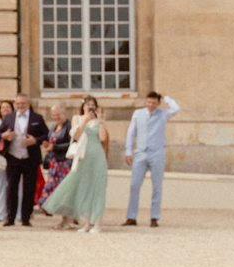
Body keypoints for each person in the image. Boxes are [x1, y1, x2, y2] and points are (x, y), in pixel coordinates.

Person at [44, 96, 111, 232]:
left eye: (92, 105)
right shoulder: (77, 118)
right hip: (83, 156)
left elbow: (103, 138)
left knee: (97, 189)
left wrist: (101, 121)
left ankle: (97, 223)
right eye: (87, 105)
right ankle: (85, 222)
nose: (89, 107)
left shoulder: (98, 121)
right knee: (83, 189)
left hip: (97, 156)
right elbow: (76, 136)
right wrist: (85, 120)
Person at [124, 90, 180, 227]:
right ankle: (131, 217)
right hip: (141, 152)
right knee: (134, 185)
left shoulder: (163, 114)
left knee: (157, 186)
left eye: (154, 103)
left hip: (157, 152)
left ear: (158, 103)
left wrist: (166, 97)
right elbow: (131, 133)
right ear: (146, 101)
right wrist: (128, 151)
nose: (151, 105)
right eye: (149, 102)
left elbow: (176, 108)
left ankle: (154, 217)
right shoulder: (138, 114)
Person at [0, 94, 47, 226]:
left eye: (23, 104)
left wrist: (35, 140)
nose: (20, 106)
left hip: (30, 157)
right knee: (11, 188)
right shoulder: (9, 118)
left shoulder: (37, 118)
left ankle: (26, 218)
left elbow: (46, 134)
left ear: (28, 104)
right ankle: (10, 218)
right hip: (13, 157)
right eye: (18, 104)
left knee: (29, 188)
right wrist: (4, 135)